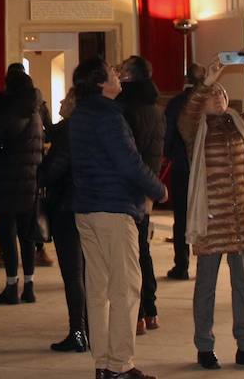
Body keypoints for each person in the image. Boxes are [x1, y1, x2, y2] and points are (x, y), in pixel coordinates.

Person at [68, 56, 167, 379]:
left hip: (87, 209)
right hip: (112, 209)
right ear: (100, 83)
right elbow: (129, 163)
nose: (118, 76)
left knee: (98, 289)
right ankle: (120, 365)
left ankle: (103, 364)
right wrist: (158, 189)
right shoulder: (109, 116)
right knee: (126, 287)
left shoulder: (81, 114)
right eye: (112, 73)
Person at [180, 51, 244, 371]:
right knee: (205, 285)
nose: (219, 97)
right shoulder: (194, 130)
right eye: (213, 94)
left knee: (243, 285)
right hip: (211, 219)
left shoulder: (239, 124)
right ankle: (205, 346)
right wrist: (208, 80)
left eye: (222, 93)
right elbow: (189, 111)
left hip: (243, 218)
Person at [0, 63, 45, 304]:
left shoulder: (4, 109)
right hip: (29, 181)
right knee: (27, 234)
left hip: (6, 179)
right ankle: (29, 286)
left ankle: (10, 286)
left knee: (7, 233)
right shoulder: (36, 112)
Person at [117, 56, 164, 335]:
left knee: (129, 255)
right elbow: (157, 153)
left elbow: (126, 154)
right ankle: (151, 310)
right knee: (142, 251)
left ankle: (138, 314)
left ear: (130, 77)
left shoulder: (123, 108)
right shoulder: (156, 108)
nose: (118, 73)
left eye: (122, 70)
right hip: (147, 184)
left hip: (126, 186)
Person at [40, 87, 86, 353]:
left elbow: (54, 169)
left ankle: (78, 331)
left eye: (67, 99)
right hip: (86, 204)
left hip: (68, 207)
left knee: (73, 273)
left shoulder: (70, 131)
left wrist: (40, 173)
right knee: (85, 271)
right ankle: (88, 328)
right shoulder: (85, 127)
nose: (61, 101)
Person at [162, 62, 204, 281]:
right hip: (205, 168)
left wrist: (167, 153)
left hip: (182, 166)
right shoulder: (209, 102)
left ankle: (182, 265)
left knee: (181, 217)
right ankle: (205, 264)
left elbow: (168, 131)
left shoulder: (177, 103)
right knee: (205, 216)